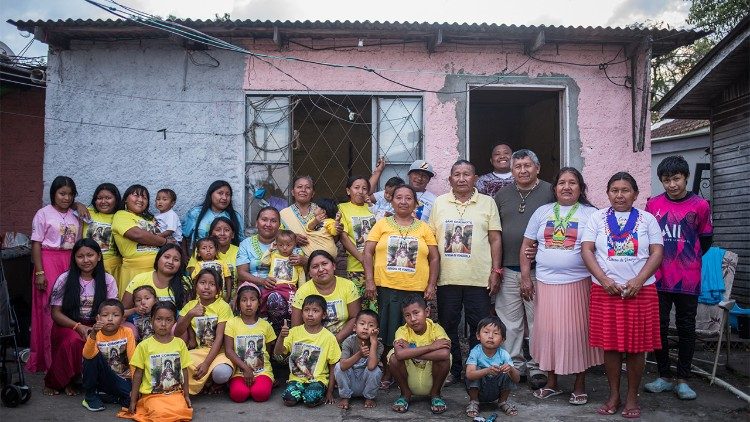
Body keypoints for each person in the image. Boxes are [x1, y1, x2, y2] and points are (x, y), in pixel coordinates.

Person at [581, 172, 664, 419]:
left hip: (641, 291)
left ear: (635, 194)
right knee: (611, 345)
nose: (620, 194)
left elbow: (657, 252)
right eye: (614, 190)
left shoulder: (648, 220)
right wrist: (604, 280)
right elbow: (587, 250)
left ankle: (631, 397)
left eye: (625, 190)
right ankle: (614, 394)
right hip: (606, 290)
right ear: (607, 194)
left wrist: (639, 280)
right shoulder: (597, 218)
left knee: (637, 347)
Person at [520, 168, 603, 403]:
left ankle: (579, 385)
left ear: (581, 187)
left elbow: (601, 249)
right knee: (549, 334)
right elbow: (527, 245)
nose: (567, 187)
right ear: (554, 188)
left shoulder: (591, 214)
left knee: (578, 335)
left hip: (579, 284)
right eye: (562, 183)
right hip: (545, 284)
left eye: (572, 183)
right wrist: (526, 277)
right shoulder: (542, 212)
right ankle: (552, 382)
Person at [644, 156, 713, 400]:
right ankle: (663, 376)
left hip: (688, 279)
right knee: (659, 328)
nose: (672, 185)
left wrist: (687, 259)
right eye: (666, 180)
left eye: (676, 179)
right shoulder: (652, 205)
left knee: (686, 328)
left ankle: (683, 379)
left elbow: (705, 240)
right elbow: (647, 239)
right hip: (658, 278)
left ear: (685, 178)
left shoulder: (701, 205)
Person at [429, 160, 502, 385]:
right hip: (447, 278)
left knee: (479, 327)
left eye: (466, 174)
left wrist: (495, 271)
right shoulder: (440, 203)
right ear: (450, 179)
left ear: (475, 178)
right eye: (457, 174)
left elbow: (495, 238)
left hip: (478, 279)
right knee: (448, 325)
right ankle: (454, 368)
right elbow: (431, 241)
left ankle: (476, 369)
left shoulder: (487, 203)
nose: (461, 178)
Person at [363, 184, 439, 387]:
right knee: (388, 331)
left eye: (408, 198)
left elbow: (434, 258)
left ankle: (411, 372)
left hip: (415, 289)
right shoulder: (381, 224)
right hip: (387, 287)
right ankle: (389, 371)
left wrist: (432, 284)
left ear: (415, 203)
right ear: (392, 200)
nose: (403, 201)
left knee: (414, 330)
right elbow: (368, 252)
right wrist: (370, 280)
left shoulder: (424, 228)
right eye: (399, 197)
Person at [493, 149, 555, 389]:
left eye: (527, 165)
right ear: (511, 171)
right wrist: (495, 268)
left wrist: (543, 247)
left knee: (537, 319)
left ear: (537, 168)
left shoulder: (550, 191)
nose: (522, 170)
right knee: (510, 322)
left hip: (540, 269)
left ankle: (538, 366)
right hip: (508, 267)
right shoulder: (503, 194)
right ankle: (514, 366)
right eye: (517, 166)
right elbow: (496, 232)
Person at [45, 238, 119, 395]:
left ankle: (99, 382)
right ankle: (63, 381)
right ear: (74, 258)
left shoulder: (108, 280)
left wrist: (98, 327)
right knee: (74, 340)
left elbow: (112, 311)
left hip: (97, 324)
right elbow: (55, 313)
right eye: (80, 256)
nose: (86, 260)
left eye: (90, 255)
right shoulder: (64, 279)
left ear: (99, 256)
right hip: (68, 324)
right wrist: (78, 327)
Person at [28, 175, 82, 373]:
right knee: (49, 308)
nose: (66, 198)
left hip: (70, 260)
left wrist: (78, 205)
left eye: (70, 194)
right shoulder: (43, 213)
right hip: (48, 260)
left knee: (68, 305)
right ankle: (46, 360)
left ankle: (65, 357)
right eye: (62, 193)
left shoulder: (76, 215)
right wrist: (40, 271)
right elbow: (36, 244)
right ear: (53, 194)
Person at [118, 301, 192, 421]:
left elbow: (184, 370)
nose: (163, 324)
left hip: (174, 393)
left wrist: (187, 395)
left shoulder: (180, 344)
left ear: (174, 322)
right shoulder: (144, 346)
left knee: (181, 411)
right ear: (151, 321)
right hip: (152, 395)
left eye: (168, 320)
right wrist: (133, 401)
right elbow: (138, 374)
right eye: (159, 319)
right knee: (159, 412)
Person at [274, 295, 342, 407]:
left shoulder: (328, 337)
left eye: (315, 311)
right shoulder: (294, 332)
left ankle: (309, 393)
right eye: (306, 310)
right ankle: (301, 392)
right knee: (288, 400)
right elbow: (278, 353)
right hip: (296, 379)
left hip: (317, 380)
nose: (310, 314)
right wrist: (281, 337)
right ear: (302, 313)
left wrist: (330, 392)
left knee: (310, 399)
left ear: (323, 314)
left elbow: (333, 365)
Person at [388, 294, 450, 414]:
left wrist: (411, 350)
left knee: (444, 359)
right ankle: (405, 394)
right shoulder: (402, 331)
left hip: (431, 376)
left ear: (427, 312)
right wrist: (432, 347)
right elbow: (400, 355)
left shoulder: (436, 329)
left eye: (416, 313)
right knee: (394, 357)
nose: (413, 319)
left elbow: (444, 354)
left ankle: (435, 395)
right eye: (407, 315)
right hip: (410, 375)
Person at [175, 268, 235, 395]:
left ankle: (213, 381)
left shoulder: (223, 306)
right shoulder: (190, 306)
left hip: (220, 352)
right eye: (202, 283)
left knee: (221, 373)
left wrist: (206, 363)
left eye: (212, 284)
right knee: (178, 362)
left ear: (218, 290)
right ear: (196, 286)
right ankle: (206, 383)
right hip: (200, 351)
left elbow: (219, 338)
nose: (207, 287)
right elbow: (177, 332)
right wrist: (190, 314)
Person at [113, 185, 171, 295]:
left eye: (144, 197)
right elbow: (137, 234)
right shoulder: (121, 215)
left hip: (158, 271)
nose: (140, 199)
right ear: (125, 199)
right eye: (136, 195)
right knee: (137, 307)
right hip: (135, 271)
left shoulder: (152, 219)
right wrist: (164, 242)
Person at [291, 250, 361, 343]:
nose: (320, 269)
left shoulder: (348, 286)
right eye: (315, 267)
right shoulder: (303, 292)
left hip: (342, 341)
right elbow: (296, 327)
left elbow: (355, 318)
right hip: (312, 343)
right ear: (310, 273)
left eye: (324, 264)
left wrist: (335, 340)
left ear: (334, 266)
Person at [224, 283, 276, 403]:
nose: (248, 304)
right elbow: (229, 350)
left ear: (259, 303)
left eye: (253, 300)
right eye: (244, 300)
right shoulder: (232, 323)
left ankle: (268, 382)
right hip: (239, 372)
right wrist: (245, 368)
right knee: (238, 395)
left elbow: (267, 351)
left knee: (260, 394)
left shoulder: (265, 325)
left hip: (262, 371)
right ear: (238, 304)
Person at [81, 299, 136, 411]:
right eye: (105, 315)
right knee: (91, 356)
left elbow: (133, 359)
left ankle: (110, 396)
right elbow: (87, 356)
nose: (110, 319)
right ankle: (90, 396)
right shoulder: (95, 333)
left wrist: (135, 389)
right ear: (98, 318)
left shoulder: (127, 332)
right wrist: (93, 334)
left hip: (122, 378)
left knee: (133, 399)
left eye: (115, 315)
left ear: (122, 319)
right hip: (102, 377)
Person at [465, 316, 521, 418]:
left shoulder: (504, 354)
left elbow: (517, 379)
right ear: (478, 336)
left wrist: (511, 369)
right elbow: (469, 374)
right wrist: (487, 370)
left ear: (502, 340)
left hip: (496, 389)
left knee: (508, 372)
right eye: (486, 332)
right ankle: (474, 401)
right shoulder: (475, 352)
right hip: (479, 389)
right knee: (475, 371)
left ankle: (503, 401)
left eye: (496, 333)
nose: (490, 336)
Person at [338, 176, 378, 311]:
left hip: (377, 268)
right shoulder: (342, 208)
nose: (360, 191)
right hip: (356, 268)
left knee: (375, 310)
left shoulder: (373, 209)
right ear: (348, 191)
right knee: (357, 310)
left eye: (364, 188)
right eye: (356, 188)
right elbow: (343, 236)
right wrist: (362, 259)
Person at [334, 310, 384, 410]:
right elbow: (343, 366)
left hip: (365, 384)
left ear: (376, 330)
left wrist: (373, 342)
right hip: (350, 382)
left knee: (376, 370)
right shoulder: (348, 342)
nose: (366, 327)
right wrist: (359, 354)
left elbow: (371, 366)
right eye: (362, 324)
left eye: (371, 325)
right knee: (338, 366)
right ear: (354, 327)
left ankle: (369, 397)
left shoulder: (379, 346)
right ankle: (345, 396)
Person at [279, 176, 338, 257]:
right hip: (293, 261)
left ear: (313, 193)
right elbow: (278, 236)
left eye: (307, 187)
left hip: (319, 261)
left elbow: (333, 236)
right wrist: (292, 238)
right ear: (292, 192)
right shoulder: (284, 214)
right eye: (299, 187)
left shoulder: (321, 211)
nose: (303, 190)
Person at [260, 230, 305, 332]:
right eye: (281, 245)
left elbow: (301, 274)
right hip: (273, 285)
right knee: (263, 296)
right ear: (276, 244)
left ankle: (288, 320)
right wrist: (270, 250)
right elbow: (264, 261)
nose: (284, 248)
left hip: (289, 286)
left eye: (288, 245)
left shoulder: (295, 258)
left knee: (290, 302)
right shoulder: (274, 254)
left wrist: (301, 290)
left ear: (294, 244)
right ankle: (265, 316)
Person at [183, 180, 245, 254]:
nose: (224, 198)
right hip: (200, 259)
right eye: (220, 193)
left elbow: (241, 241)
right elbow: (183, 236)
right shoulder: (196, 213)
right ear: (210, 194)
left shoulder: (235, 216)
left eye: (228, 194)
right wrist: (184, 256)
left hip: (227, 260)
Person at [122, 244, 190, 310]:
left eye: (176, 260)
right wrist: (136, 310)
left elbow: (187, 312)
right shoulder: (140, 279)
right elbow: (122, 312)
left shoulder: (185, 282)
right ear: (158, 259)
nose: (170, 262)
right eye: (166, 257)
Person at [188, 217, 240, 303]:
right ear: (211, 234)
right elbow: (194, 279)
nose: (222, 233)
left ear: (233, 235)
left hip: (232, 300)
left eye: (226, 230)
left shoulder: (240, 251)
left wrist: (233, 298)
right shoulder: (201, 251)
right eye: (218, 230)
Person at [83, 183, 122, 280]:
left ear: (116, 199)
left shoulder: (120, 216)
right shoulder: (88, 212)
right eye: (99, 198)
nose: (103, 201)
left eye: (108, 198)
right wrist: (78, 205)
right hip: (86, 264)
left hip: (110, 267)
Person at [236, 207, 283, 288]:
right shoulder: (246, 244)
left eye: (273, 221)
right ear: (257, 223)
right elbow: (241, 273)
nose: (268, 224)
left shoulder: (286, 243)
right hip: (252, 290)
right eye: (264, 220)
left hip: (280, 289)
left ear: (279, 225)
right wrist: (262, 281)